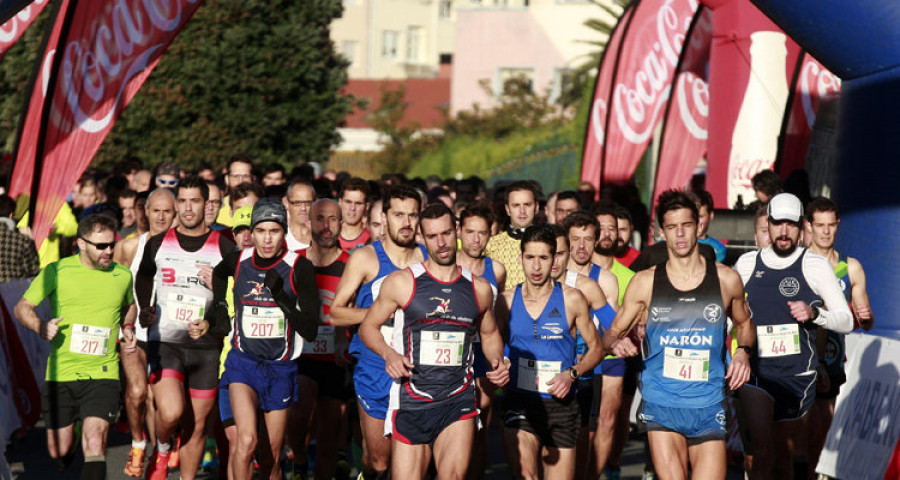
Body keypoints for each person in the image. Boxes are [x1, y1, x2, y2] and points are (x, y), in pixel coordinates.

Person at [601, 190, 754, 480]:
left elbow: (744, 323)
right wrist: (616, 342)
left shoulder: (725, 279)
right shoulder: (644, 282)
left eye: (686, 225)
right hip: (662, 402)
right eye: (671, 227)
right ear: (661, 232)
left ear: (699, 226)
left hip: (708, 402)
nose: (680, 234)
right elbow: (610, 335)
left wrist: (742, 352)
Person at [359, 203, 510, 479]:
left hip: (458, 400)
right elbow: (368, 327)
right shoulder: (402, 283)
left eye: (445, 234)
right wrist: (389, 354)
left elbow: (489, 335)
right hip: (413, 399)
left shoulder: (480, 288)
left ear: (456, 232)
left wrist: (498, 361)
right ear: (421, 237)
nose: (440, 243)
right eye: (432, 236)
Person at [734, 193, 853, 480]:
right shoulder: (748, 264)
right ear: (769, 225)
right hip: (757, 373)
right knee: (763, 451)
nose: (783, 232)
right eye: (777, 224)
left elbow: (846, 320)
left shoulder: (814, 266)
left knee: (783, 456)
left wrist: (816, 315)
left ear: (802, 227)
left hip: (797, 375)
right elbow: (730, 315)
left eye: (790, 224)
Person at [14, 214, 137, 480]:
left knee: (96, 443)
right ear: (81, 244)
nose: (108, 251)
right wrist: (41, 326)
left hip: (103, 372)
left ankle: (87, 430)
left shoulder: (122, 275)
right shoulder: (57, 272)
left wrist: (127, 328)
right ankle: (73, 434)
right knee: (58, 450)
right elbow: (22, 308)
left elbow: (130, 306)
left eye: (111, 245)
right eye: (101, 246)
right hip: (62, 373)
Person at [135, 177, 236, 480]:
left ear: (207, 205)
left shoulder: (225, 246)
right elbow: (143, 278)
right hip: (166, 341)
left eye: (195, 201)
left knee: (197, 426)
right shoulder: (158, 242)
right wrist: (144, 309)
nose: (188, 208)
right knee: (171, 411)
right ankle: (163, 449)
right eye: (183, 201)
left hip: (206, 349)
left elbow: (233, 298)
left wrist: (216, 295)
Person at [210, 199, 319, 480]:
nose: (267, 238)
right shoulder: (239, 260)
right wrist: (220, 307)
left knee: (271, 456)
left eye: (274, 230)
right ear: (253, 232)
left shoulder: (299, 267)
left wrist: (281, 298)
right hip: (243, 364)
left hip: (280, 368)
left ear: (284, 232)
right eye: (260, 230)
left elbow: (310, 329)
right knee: (246, 441)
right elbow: (218, 274)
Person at [329, 184, 427, 479]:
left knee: (410, 462)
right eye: (399, 214)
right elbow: (335, 312)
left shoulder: (428, 258)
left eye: (412, 215)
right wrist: (382, 315)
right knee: (379, 462)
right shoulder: (365, 258)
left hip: (416, 366)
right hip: (375, 365)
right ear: (384, 217)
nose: (406, 222)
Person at [497, 224, 602, 479]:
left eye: (543, 258)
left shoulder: (572, 298)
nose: (536, 267)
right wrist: (498, 364)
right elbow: (492, 343)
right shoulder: (506, 300)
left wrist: (572, 374)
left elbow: (597, 348)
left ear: (554, 259)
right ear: (520, 258)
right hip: (520, 402)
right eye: (530, 258)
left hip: (561, 404)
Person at [804, 197, 874, 478]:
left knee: (822, 428)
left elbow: (865, 320)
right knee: (794, 434)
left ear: (837, 226)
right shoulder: (798, 264)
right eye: (819, 225)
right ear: (808, 227)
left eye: (830, 225)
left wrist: (866, 317)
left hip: (832, 360)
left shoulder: (849, 268)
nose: (825, 232)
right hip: (797, 358)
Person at [288, 199, 355, 480]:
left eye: (332, 220)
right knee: (300, 415)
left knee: (328, 439)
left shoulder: (352, 265)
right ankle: (300, 459)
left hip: (336, 360)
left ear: (342, 223)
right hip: (301, 355)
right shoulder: (294, 261)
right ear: (309, 222)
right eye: (320, 219)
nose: (326, 226)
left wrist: (345, 341)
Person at [112, 188, 177, 477]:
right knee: (137, 392)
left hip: (171, 337)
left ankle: (162, 450)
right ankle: (138, 444)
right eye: (156, 211)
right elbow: (114, 290)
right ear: (145, 212)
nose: (161, 217)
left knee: (163, 404)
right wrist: (119, 326)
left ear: (174, 214)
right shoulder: (129, 247)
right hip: (134, 333)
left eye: (167, 211)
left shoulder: (184, 248)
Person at [548, 223, 616, 480]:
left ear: (568, 254)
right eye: (549, 253)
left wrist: (614, 342)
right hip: (540, 379)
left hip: (582, 376)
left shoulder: (585, 286)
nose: (554, 260)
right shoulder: (526, 288)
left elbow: (612, 325)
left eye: (560, 253)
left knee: (579, 442)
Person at [455, 203, 507, 479]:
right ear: (459, 231)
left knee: (480, 421)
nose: (476, 239)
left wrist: (501, 357)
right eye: (470, 232)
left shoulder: (496, 270)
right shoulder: (446, 265)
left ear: (491, 234)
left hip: (482, 350)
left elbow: (498, 321)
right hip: (452, 350)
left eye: (482, 233)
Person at [588, 202, 639, 479]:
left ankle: (599, 472)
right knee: (588, 424)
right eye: (602, 228)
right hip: (582, 356)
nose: (608, 233)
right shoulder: (578, 274)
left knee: (608, 420)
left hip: (613, 358)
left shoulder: (629, 276)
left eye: (613, 228)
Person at [485, 180, 541, 290]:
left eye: (527, 205)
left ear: (537, 207)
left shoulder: (551, 241)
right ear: (507, 209)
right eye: (516, 205)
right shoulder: (490, 245)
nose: (522, 211)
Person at [0, 194, 40, 282]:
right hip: (11, 291)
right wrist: (30, 240)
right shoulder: (22, 241)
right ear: (11, 215)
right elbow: (33, 270)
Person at [688, 190, 727, 262]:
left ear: (711, 216)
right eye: (691, 216)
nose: (695, 221)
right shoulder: (669, 241)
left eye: (700, 216)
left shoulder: (717, 248)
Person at [338, 177, 372, 252]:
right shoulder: (327, 237)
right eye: (348, 202)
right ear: (340, 202)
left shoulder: (372, 240)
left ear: (367, 206)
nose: (352, 208)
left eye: (358, 203)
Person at [283, 179, 316, 250]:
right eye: (297, 203)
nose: (303, 208)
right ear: (286, 203)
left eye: (308, 203)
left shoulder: (324, 236)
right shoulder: (280, 236)